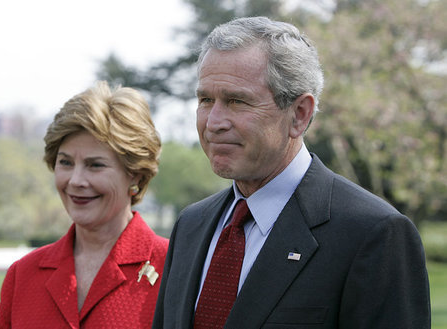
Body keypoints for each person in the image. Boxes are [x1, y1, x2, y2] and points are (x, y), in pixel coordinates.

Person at [153, 16, 430, 329]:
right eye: (205, 100)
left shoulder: (374, 234)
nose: (213, 122)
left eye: (237, 101)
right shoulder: (191, 225)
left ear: (300, 114)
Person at [0, 81, 168, 328]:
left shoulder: (175, 269)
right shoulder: (22, 274)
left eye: (95, 165)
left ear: (135, 174)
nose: (76, 181)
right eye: (65, 163)